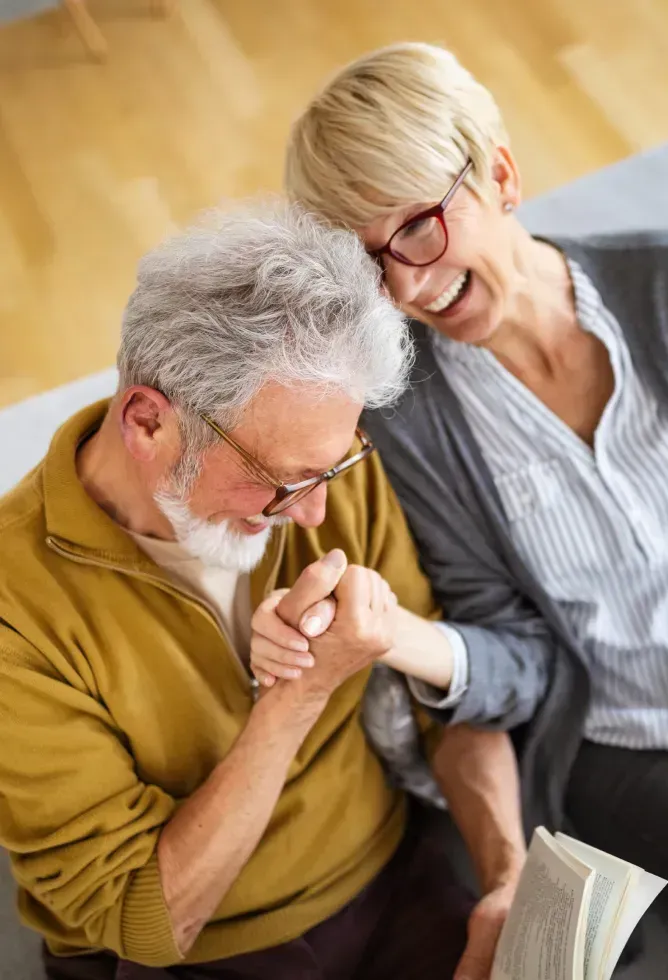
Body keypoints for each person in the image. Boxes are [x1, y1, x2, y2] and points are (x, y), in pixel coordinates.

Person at [279, 42, 668, 977]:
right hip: (615, 743)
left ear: (499, 172)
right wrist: (399, 637)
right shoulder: (406, 425)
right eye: (371, 263)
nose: (407, 286)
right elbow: (510, 647)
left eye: (416, 227)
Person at [0, 201, 528, 980]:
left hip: (394, 882)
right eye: (281, 482)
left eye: (333, 469)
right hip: (203, 951)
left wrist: (508, 876)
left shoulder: (325, 465)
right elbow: (144, 918)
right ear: (147, 422)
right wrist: (297, 697)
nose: (315, 512)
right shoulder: (18, 610)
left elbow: (443, 705)